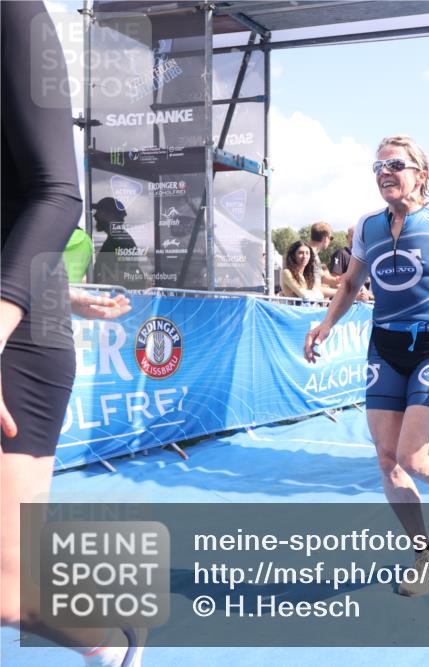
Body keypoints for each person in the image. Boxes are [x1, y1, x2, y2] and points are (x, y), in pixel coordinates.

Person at [1, 3, 139, 665]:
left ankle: (114, 644)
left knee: (6, 590)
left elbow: (57, 193)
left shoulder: (14, 12)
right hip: (34, 301)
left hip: (15, 339)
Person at [303, 135, 429, 598]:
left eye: (395, 164)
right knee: (387, 461)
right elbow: (350, 285)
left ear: (420, 174)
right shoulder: (366, 225)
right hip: (384, 347)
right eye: (377, 166)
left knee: (414, 457)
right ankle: (427, 556)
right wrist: (325, 325)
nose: (384, 172)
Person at [92, 197, 144, 289]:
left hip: (118, 297)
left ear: (110, 215)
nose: (95, 216)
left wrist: (100, 285)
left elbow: (127, 274)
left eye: (99, 211)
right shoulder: (115, 238)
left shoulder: (120, 240)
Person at [307, 221, 340, 299]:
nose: (330, 242)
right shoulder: (310, 256)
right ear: (325, 238)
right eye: (330, 238)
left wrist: (345, 280)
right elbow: (317, 289)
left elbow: (324, 278)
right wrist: (346, 293)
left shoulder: (313, 255)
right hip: (307, 306)